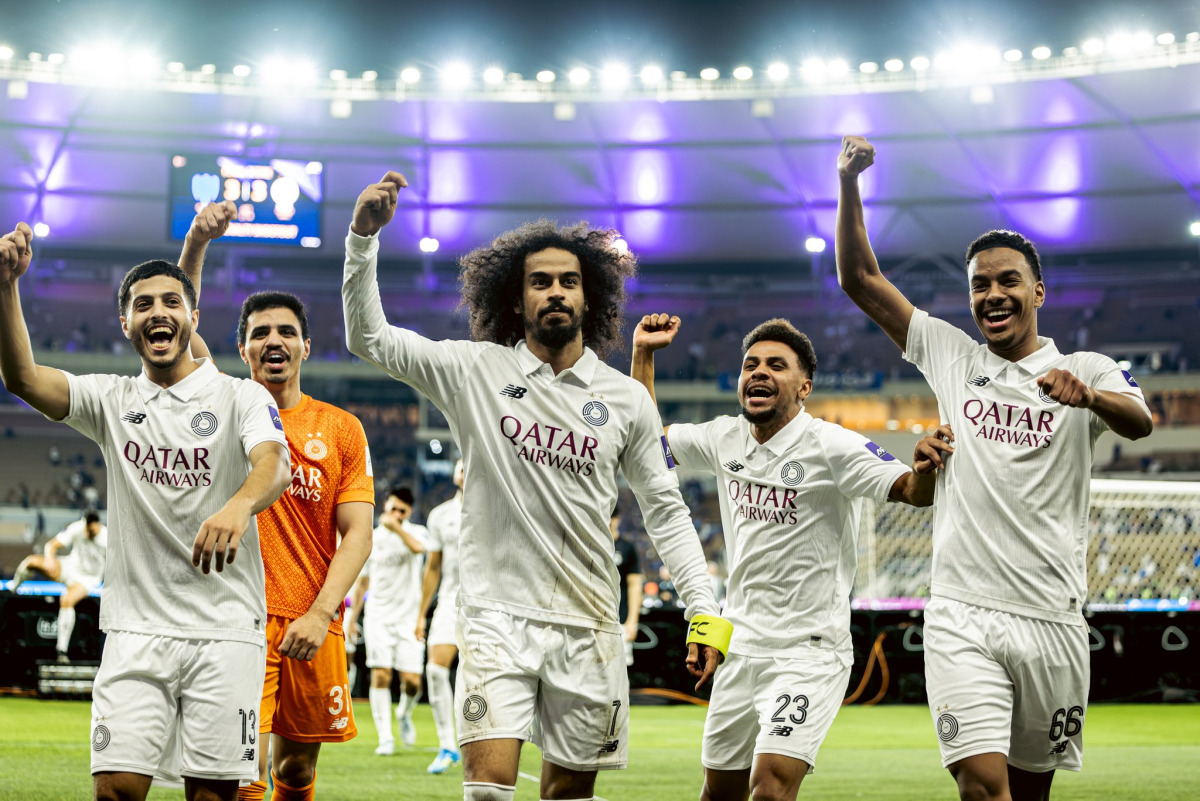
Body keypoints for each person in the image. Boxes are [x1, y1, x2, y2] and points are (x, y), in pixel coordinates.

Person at [342, 173, 731, 801]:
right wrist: (363, 240)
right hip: (495, 619)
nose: (555, 292)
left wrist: (703, 610)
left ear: (590, 298)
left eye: (569, 281)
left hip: (590, 624)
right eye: (540, 282)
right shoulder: (475, 371)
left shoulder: (626, 399)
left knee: (567, 797)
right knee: (487, 792)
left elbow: (665, 510)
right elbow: (370, 339)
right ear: (515, 299)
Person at [835, 136, 1154, 801]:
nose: (992, 294)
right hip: (962, 612)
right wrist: (849, 183)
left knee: (1030, 792)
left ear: (1038, 290)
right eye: (979, 284)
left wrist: (1089, 398)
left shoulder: (1086, 367)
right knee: (983, 786)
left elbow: (1140, 420)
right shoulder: (954, 356)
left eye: (1007, 280)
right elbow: (861, 280)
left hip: (1052, 617)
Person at [0, 223, 290, 801]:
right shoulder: (111, 399)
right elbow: (23, 378)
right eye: (143, 304)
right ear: (126, 323)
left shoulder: (241, 396)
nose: (158, 312)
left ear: (193, 318)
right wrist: (6, 285)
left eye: (171, 302)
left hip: (226, 630)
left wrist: (238, 506)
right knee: (115, 791)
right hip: (134, 631)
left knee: (211, 796)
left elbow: (274, 464)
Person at [632, 313, 945, 801]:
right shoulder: (723, 436)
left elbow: (910, 491)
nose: (759, 371)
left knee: (771, 785)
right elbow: (647, 444)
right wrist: (643, 356)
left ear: (804, 388)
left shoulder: (830, 444)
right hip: (739, 646)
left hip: (808, 651)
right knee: (719, 792)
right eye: (751, 364)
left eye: (776, 365)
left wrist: (923, 468)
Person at [179, 202, 375, 801]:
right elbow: (179, 324)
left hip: (313, 616)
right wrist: (196, 244)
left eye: (286, 332)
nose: (274, 341)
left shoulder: (341, 428)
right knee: (244, 773)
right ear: (242, 350)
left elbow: (358, 533)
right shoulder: (225, 405)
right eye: (260, 333)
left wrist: (321, 614)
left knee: (296, 771)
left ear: (305, 347)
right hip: (240, 616)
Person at [348, 485, 428, 756]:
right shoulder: (372, 538)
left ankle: (404, 713)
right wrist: (352, 620)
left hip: (409, 618)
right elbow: (362, 584)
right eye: (393, 508)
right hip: (378, 616)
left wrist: (397, 529)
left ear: (409, 512)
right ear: (385, 506)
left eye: (402, 511)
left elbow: (419, 549)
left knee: (413, 681)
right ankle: (385, 737)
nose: (396, 514)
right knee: (381, 675)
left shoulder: (417, 533)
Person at [416, 458, 466, 774]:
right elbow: (432, 567)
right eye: (462, 468)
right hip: (449, 601)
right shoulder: (440, 515)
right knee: (435, 669)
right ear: (455, 475)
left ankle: (477, 741)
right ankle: (448, 745)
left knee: (478, 679)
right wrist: (421, 614)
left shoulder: (499, 508)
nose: (466, 472)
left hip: (488, 605)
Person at [13, 511, 108, 662]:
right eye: (87, 529)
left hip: (88, 579)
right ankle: (13, 589)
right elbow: (51, 545)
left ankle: (62, 651)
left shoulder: (107, 538)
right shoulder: (78, 527)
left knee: (67, 599)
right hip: (70, 567)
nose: (88, 533)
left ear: (98, 525)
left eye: (91, 530)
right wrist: (49, 559)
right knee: (31, 561)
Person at [608, 505, 643, 667]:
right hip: (594, 618)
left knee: (620, 670)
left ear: (617, 519)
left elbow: (635, 585)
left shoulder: (626, 548)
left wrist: (632, 621)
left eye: (611, 517)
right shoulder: (592, 546)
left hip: (620, 619)